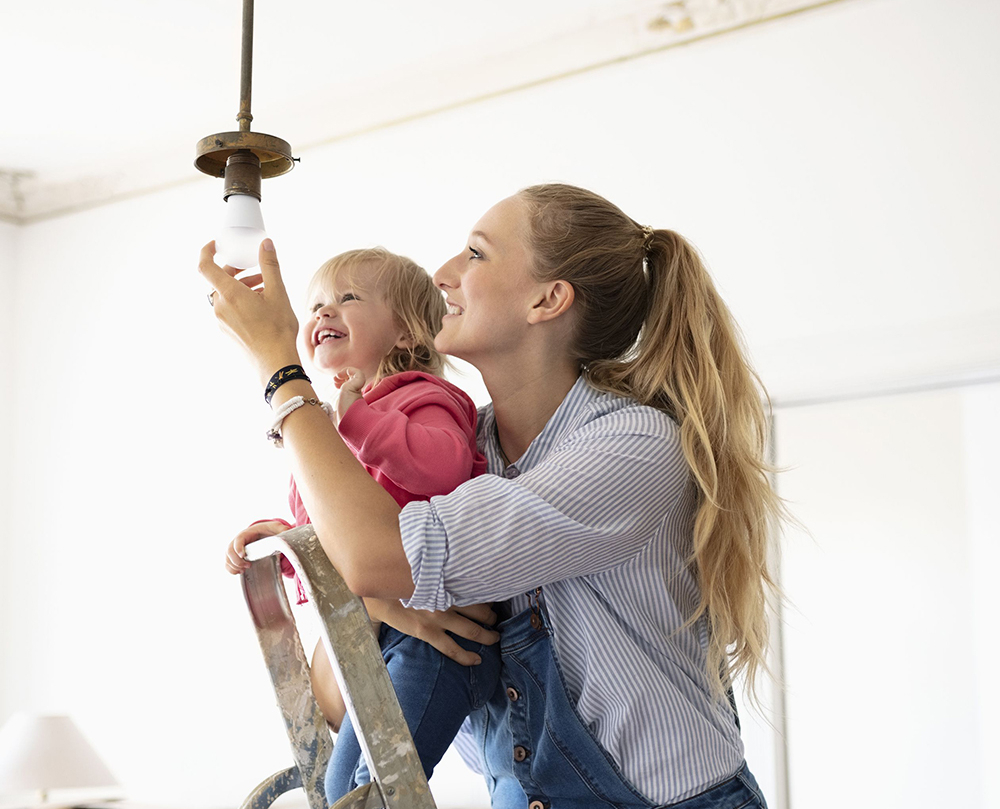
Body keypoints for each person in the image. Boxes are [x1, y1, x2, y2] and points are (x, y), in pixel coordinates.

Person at [200, 183, 781, 809]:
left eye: (475, 254)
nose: (443, 274)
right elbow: (337, 702)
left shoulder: (631, 446)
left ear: (548, 299)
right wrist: (378, 608)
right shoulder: (458, 450)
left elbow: (376, 556)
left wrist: (278, 368)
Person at [220, 248, 501, 803]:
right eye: (316, 304)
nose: (324, 313)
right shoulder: (324, 430)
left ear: (405, 334)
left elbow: (441, 466)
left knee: (368, 791)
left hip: (435, 640)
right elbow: (332, 539)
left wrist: (357, 422)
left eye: (348, 298)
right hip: (380, 632)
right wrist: (288, 540)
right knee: (339, 786)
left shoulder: (425, 396)